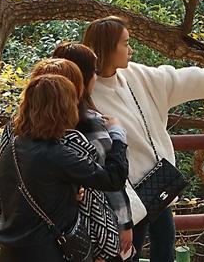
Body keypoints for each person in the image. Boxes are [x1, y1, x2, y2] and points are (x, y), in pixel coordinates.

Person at [84, 16, 204, 262]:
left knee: (165, 247)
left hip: (157, 182)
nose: (131, 50)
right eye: (126, 43)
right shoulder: (87, 92)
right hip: (125, 194)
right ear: (108, 48)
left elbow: (177, 80)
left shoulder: (135, 74)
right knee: (128, 254)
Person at [0, 72, 129, 262]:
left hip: (11, 252)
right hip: (48, 252)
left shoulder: (14, 147)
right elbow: (113, 178)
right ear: (64, 108)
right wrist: (117, 133)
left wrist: (69, 192)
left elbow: (33, 190)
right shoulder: (57, 154)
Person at [54, 42, 135, 261]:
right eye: (94, 72)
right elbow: (111, 179)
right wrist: (125, 223)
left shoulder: (26, 127)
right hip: (93, 231)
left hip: (49, 231)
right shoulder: (89, 122)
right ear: (83, 77)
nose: (96, 77)